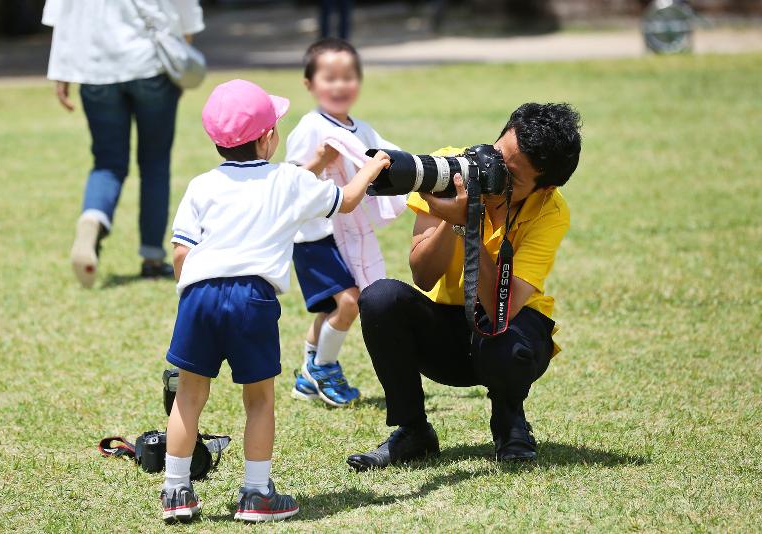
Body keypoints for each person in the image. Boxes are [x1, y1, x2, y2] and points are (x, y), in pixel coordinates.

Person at [159, 79, 390, 523]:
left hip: (199, 295)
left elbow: (181, 252)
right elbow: (347, 201)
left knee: (189, 396)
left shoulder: (202, 184)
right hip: (252, 298)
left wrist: (191, 301)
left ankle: (176, 493)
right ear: (268, 138)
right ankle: (257, 493)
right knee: (259, 399)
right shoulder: (289, 180)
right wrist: (372, 164)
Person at [347, 103, 582, 471]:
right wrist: (451, 221)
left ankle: (510, 422)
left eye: (513, 177)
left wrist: (470, 222)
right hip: (447, 336)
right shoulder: (450, 169)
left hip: (506, 334)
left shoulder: (550, 210)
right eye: (498, 157)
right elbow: (423, 276)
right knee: (381, 298)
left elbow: (498, 307)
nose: (496, 174)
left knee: (510, 342)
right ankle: (413, 431)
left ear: (544, 186)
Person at [42, 0, 204, 288]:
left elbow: (61, 12)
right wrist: (182, 56)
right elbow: (186, 9)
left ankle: (92, 220)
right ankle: (153, 258)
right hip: (151, 64)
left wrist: (61, 72)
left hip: (95, 70)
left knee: (106, 162)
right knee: (155, 164)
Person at [286, 38, 403, 407]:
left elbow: (392, 154)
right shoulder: (310, 127)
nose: (339, 85)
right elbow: (291, 182)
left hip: (346, 234)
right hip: (314, 235)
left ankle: (307, 377)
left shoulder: (361, 128)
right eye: (329, 77)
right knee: (349, 302)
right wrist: (321, 158)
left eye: (348, 77)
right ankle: (323, 367)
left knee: (329, 308)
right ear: (310, 84)